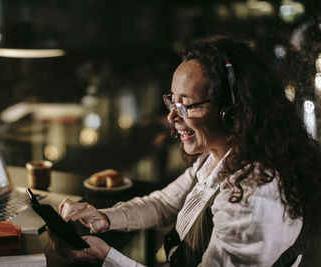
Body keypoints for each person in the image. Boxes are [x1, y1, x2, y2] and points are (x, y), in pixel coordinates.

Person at [48, 36, 321, 266]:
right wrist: (104, 217)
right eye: (172, 101)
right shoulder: (220, 156)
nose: (172, 117)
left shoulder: (255, 196)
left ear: (232, 112)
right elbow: (164, 203)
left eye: (187, 106)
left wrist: (107, 258)